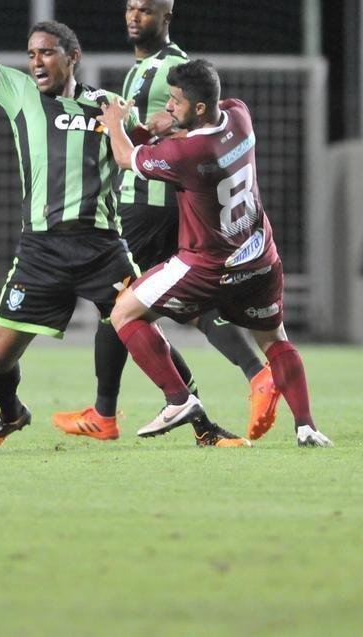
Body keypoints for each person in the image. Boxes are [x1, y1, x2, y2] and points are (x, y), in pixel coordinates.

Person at [0, 0, 246, 448]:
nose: (36, 60)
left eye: (47, 52)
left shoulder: (106, 105)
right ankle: (11, 411)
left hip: (103, 246)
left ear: (72, 57)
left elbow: (148, 147)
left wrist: (161, 126)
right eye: (32, 52)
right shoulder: (17, 92)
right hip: (39, 250)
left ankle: (203, 427)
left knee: (143, 329)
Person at [53, 0, 279, 443]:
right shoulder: (144, 69)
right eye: (131, 9)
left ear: (166, 19)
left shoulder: (174, 67)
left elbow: (196, 128)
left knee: (118, 307)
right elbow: (154, 129)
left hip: (149, 204)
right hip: (161, 202)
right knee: (191, 308)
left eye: (147, 12)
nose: (135, 18)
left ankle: (108, 413)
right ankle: (247, 384)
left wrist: (135, 131)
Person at [98, 58, 332, 448]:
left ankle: (178, 399)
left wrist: (116, 125)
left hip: (207, 265)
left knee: (124, 311)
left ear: (200, 107)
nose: (169, 106)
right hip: (259, 258)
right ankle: (306, 426)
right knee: (275, 340)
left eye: (175, 101)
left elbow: (126, 157)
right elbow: (217, 114)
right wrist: (171, 123)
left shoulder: (187, 154)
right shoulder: (240, 116)